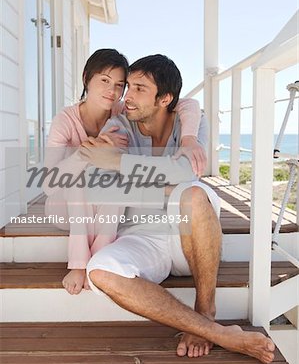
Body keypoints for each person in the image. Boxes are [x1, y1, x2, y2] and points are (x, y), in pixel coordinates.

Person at [80, 54, 275, 364]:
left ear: (165, 98)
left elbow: (187, 174)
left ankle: (205, 309)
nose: (126, 96)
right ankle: (217, 332)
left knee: (194, 195)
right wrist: (165, 182)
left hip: (191, 237)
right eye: (128, 86)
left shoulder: (191, 122)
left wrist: (119, 164)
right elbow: (98, 180)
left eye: (139, 88)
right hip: (141, 235)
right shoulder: (118, 124)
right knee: (100, 271)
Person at [43, 49, 206, 295]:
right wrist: (87, 152)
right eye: (105, 81)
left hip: (101, 203)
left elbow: (188, 104)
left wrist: (190, 138)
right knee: (82, 179)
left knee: (115, 183)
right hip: (65, 203)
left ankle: (100, 255)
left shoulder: (120, 111)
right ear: (87, 77)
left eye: (120, 85)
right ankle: (78, 263)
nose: (114, 91)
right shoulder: (65, 121)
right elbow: (49, 184)